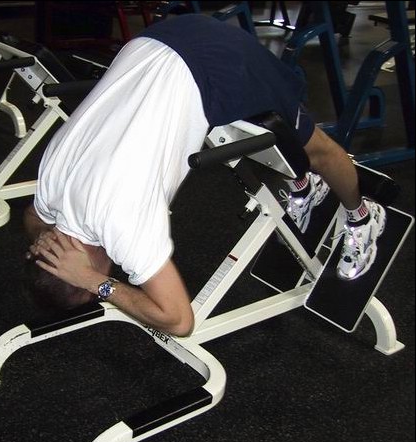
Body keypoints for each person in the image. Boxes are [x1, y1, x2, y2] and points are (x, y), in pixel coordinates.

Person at [24, 14, 386, 337]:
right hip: (158, 38)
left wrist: (96, 281)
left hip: (213, 58)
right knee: (256, 130)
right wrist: (46, 241)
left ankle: (362, 215)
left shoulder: (122, 226)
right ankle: (303, 184)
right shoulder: (52, 187)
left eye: (90, 292)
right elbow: (32, 217)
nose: (103, 284)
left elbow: (179, 321)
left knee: (317, 151)